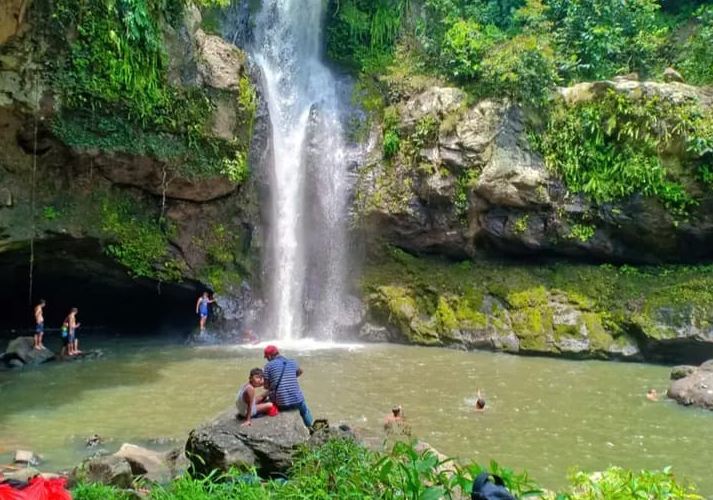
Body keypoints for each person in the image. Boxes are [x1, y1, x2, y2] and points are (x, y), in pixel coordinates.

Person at [263, 345, 313, 427]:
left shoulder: (268, 366)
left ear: (269, 356)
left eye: (266, 357)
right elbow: (300, 371)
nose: (267, 359)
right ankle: (311, 427)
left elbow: (266, 386)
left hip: (281, 404)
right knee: (305, 410)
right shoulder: (292, 361)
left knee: (266, 401)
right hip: (297, 401)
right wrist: (290, 376)